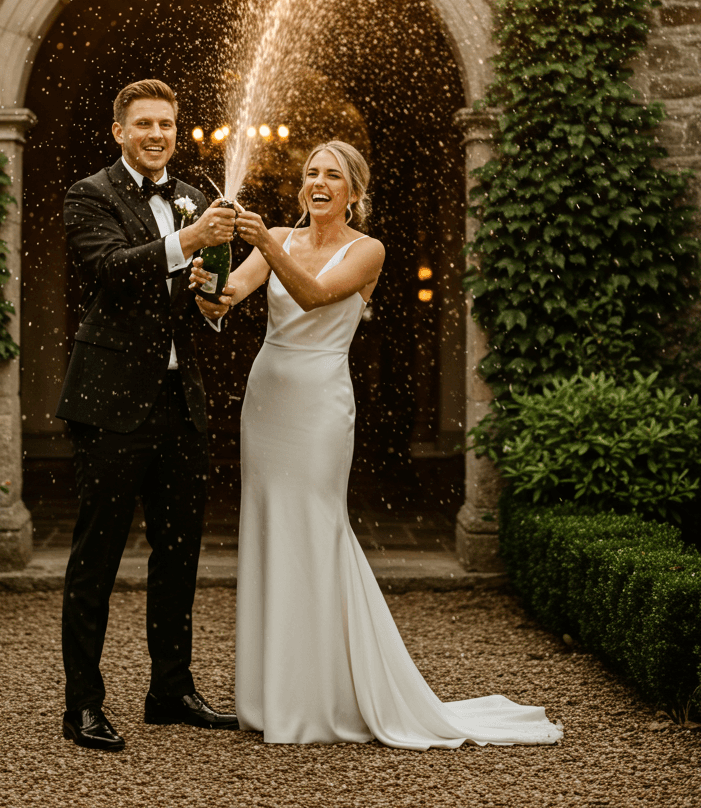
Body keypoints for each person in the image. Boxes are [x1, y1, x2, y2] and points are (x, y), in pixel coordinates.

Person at [193, 140, 562, 748]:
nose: (317, 182)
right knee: (269, 525)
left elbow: (312, 294)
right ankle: (271, 694)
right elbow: (228, 299)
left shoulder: (368, 252)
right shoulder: (279, 237)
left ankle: (321, 695)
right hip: (268, 398)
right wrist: (210, 285)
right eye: (311, 172)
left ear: (354, 192)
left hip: (318, 402)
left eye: (332, 175)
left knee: (314, 523)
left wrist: (262, 244)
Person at [56, 78, 240, 752]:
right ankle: (82, 706)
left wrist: (209, 289)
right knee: (96, 558)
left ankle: (170, 690)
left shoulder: (193, 191)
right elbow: (110, 270)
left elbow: (205, 300)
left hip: (177, 403)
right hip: (109, 405)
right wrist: (189, 239)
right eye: (144, 125)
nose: (158, 135)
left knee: (179, 554)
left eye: (167, 124)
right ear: (119, 132)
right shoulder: (89, 194)